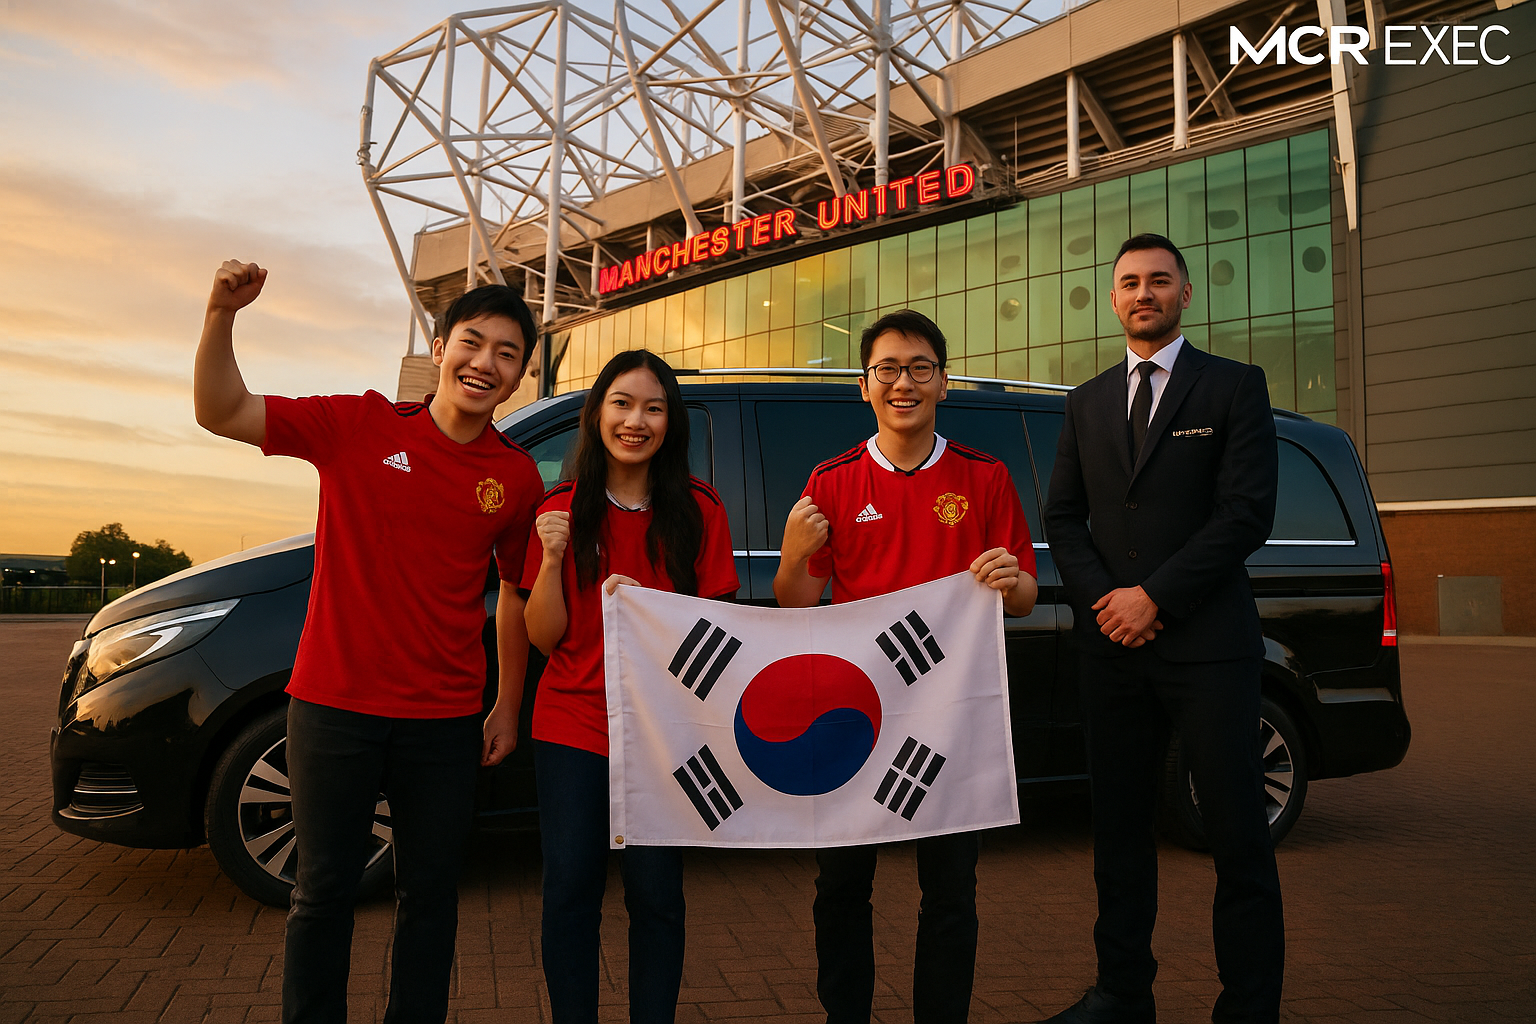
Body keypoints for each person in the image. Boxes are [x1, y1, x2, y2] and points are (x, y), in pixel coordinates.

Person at [194, 261, 543, 1024]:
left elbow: (516, 592)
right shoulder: (359, 425)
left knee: (431, 898)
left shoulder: (515, 479)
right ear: (441, 347)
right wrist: (221, 313)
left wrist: (508, 706)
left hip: (444, 720)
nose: (485, 362)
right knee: (322, 892)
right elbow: (223, 410)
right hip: (333, 708)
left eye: (507, 352)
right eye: (472, 343)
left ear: (521, 374)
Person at [1036, 234, 1283, 1024]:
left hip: (1209, 649)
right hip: (1112, 653)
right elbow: (1062, 519)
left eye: (1159, 281)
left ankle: (1248, 1007)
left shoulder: (1234, 388)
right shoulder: (1086, 402)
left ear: (1185, 295)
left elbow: (1245, 515)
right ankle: (1121, 993)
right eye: (1130, 283)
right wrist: (1110, 600)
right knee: (1118, 835)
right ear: (1113, 300)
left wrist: (1155, 598)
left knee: (1238, 836)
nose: (1144, 293)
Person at [773, 309, 1039, 1024]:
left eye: (920, 368)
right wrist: (795, 553)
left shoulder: (984, 477)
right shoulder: (832, 481)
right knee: (841, 888)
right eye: (888, 369)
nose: (904, 383)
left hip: (948, 720)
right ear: (865, 386)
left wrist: (1011, 580)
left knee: (950, 890)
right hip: (854, 718)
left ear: (943, 383)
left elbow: (1024, 598)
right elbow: (796, 604)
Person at [523, 349, 739, 1024]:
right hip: (572, 726)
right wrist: (555, 556)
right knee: (569, 893)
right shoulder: (559, 508)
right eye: (622, 404)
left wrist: (651, 610)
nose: (636, 421)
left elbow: (718, 634)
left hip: (661, 734)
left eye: (653, 407)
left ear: (669, 422)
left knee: (656, 897)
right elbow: (543, 637)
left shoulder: (700, 509)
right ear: (597, 415)